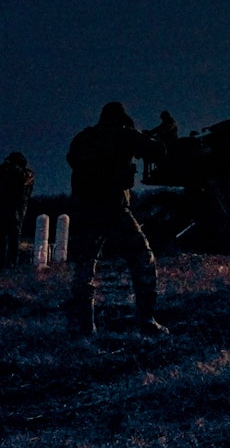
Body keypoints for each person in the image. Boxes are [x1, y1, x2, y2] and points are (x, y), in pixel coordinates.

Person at [65, 101, 168, 337]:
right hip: (114, 208)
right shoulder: (123, 134)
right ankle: (146, 320)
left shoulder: (83, 138)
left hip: (86, 210)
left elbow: (72, 159)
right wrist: (137, 135)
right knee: (143, 259)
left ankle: (84, 326)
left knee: (85, 267)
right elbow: (158, 150)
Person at [0, 152, 34, 270]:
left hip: (17, 205)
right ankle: (0, 263)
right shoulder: (5, 170)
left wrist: (10, 166)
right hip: (3, 203)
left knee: (13, 235)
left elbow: (20, 177)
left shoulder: (27, 173)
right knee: (0, 235)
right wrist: (4, 165)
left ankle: (11, 264)